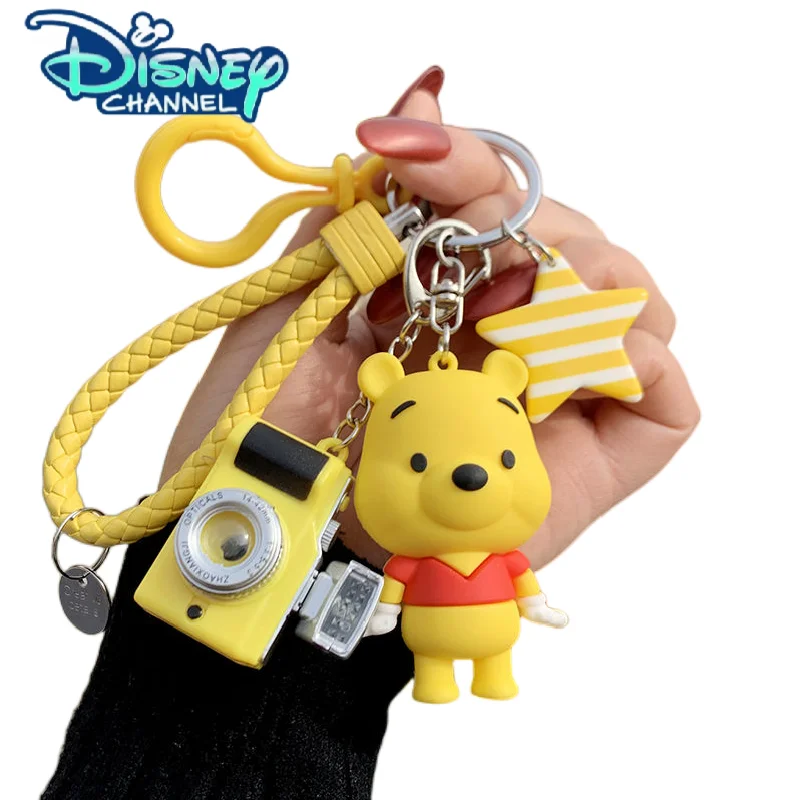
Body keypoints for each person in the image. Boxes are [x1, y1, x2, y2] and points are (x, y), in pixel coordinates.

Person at [43, 67, 699, 800]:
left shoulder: (450, 513)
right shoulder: (367, 414)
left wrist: (324, 619)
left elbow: (463, 587)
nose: (472, 477)